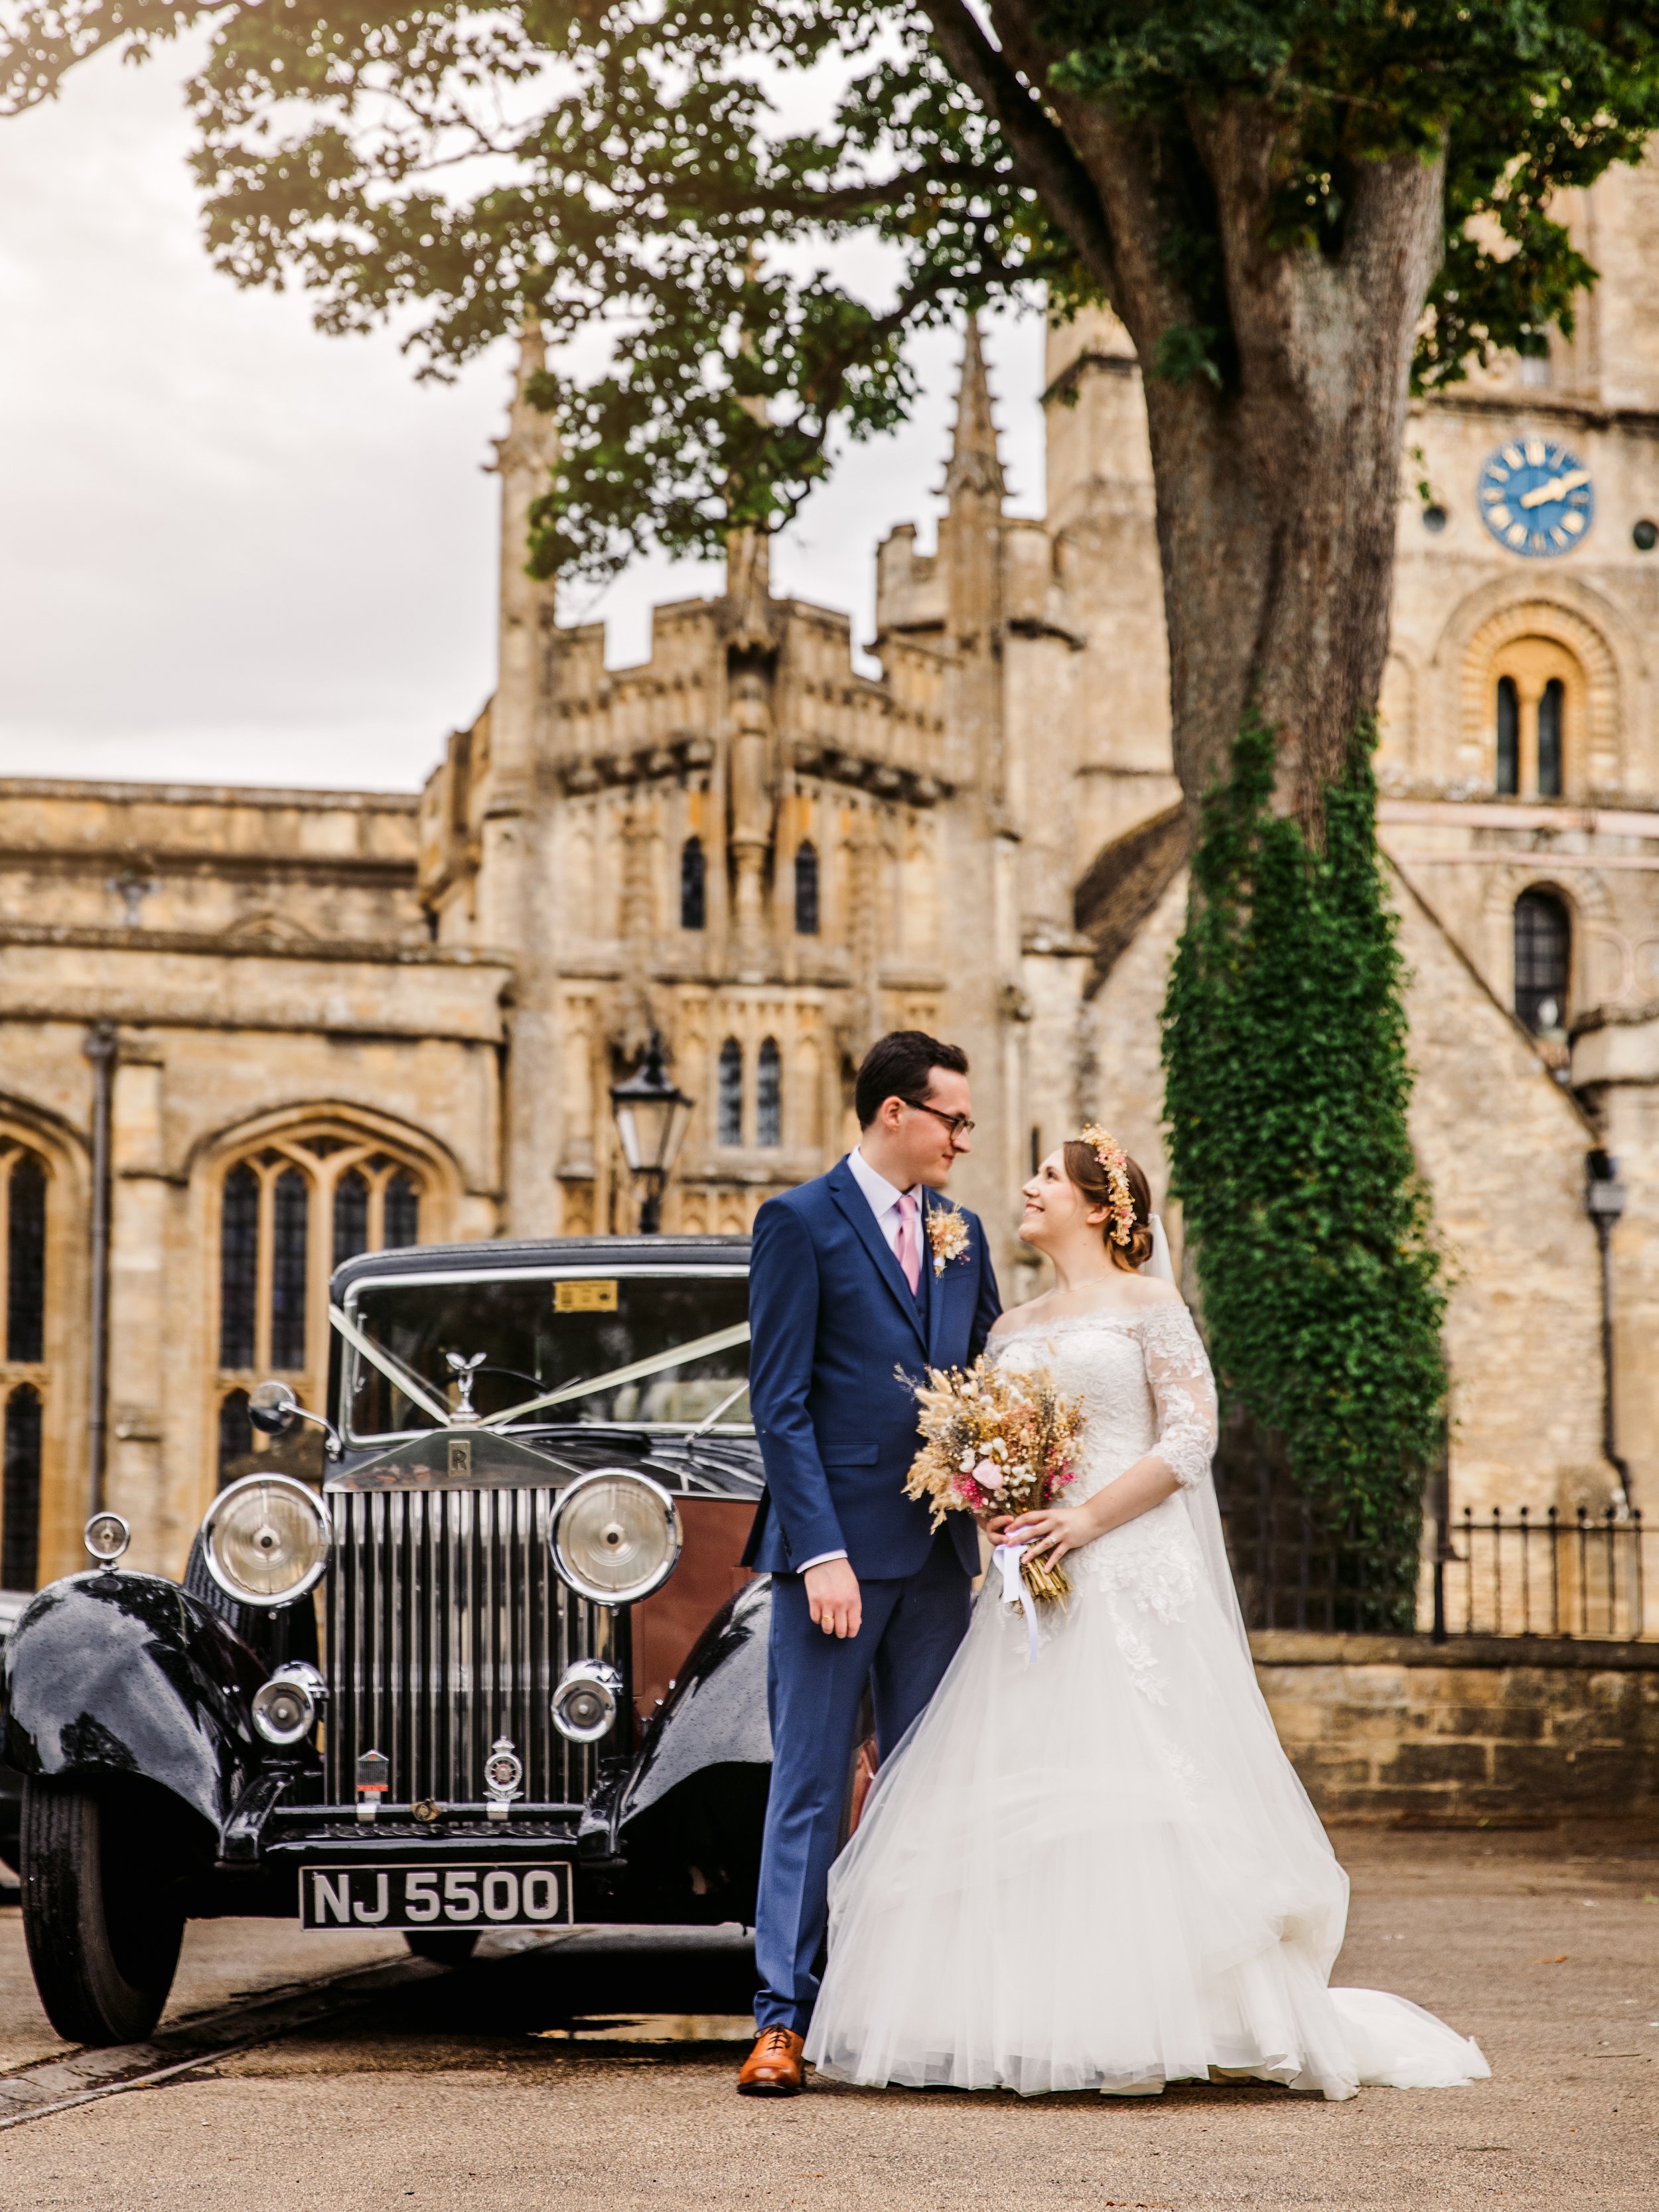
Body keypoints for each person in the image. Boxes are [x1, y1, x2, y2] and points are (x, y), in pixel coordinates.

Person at [804, 1130, 1489, 2100]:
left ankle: (1182, 2014)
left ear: (1098, 1206)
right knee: (1035, 1781)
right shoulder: (1009, 1327)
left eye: (1048, 1177)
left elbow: (1193, 1434)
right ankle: (1043, 2017)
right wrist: (996, 1498)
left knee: (1143, 1776)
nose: (1028, 1187)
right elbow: (1005, 1442)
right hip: (1035, 1578)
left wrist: (1085, 1515)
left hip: (1128, 1563)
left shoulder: (1150, 1304)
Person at [736, 1030, 1002, 2095]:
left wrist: (1003, 1502)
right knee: (808, 1786)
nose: (963, 1141)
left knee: (926, 1783)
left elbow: (980, 1381)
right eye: (953, 1119)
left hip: (940, 1560)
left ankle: (908, 2007)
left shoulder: (962, 1232)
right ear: (895, 1111)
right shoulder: (798, 1223)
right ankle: (780, 2021)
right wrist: (821, 1555)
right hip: (835, 1562)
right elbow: (780, 1403)